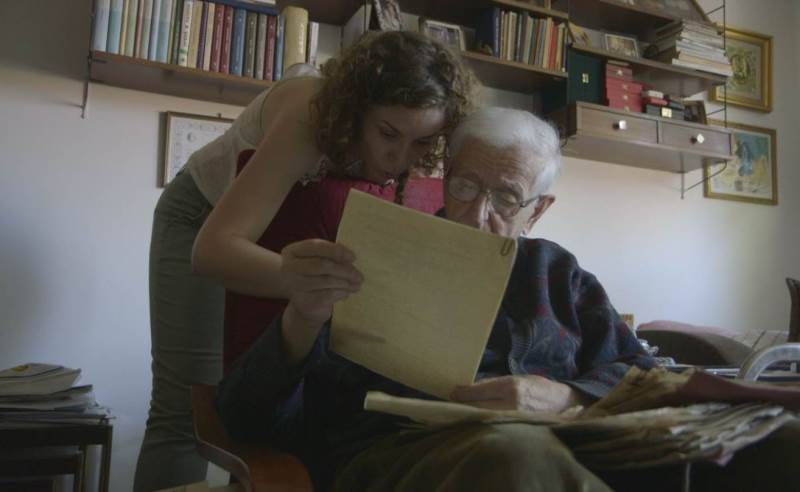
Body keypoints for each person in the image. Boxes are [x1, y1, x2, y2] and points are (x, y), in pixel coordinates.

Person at [215, 107, 657, 492]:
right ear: (446, 179)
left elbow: (642, 374)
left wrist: (567, 397)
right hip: (405, 460)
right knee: (517, 452)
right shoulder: (380, 254)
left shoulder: (558, 273)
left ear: (537, 210)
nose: (478, 214)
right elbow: (245, 416)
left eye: (506, 197)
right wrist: (301, 319)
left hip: (563, 448)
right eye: (466, 186)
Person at [134, 30, 478, 492]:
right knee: (186, 409)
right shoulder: (310, 112)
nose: (400, 158)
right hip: (200, 219)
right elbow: (214, 249)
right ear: (356, 111)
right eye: (388, 134)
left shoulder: (413, 145)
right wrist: (304, 285)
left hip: (280, 232)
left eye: (421, 143)